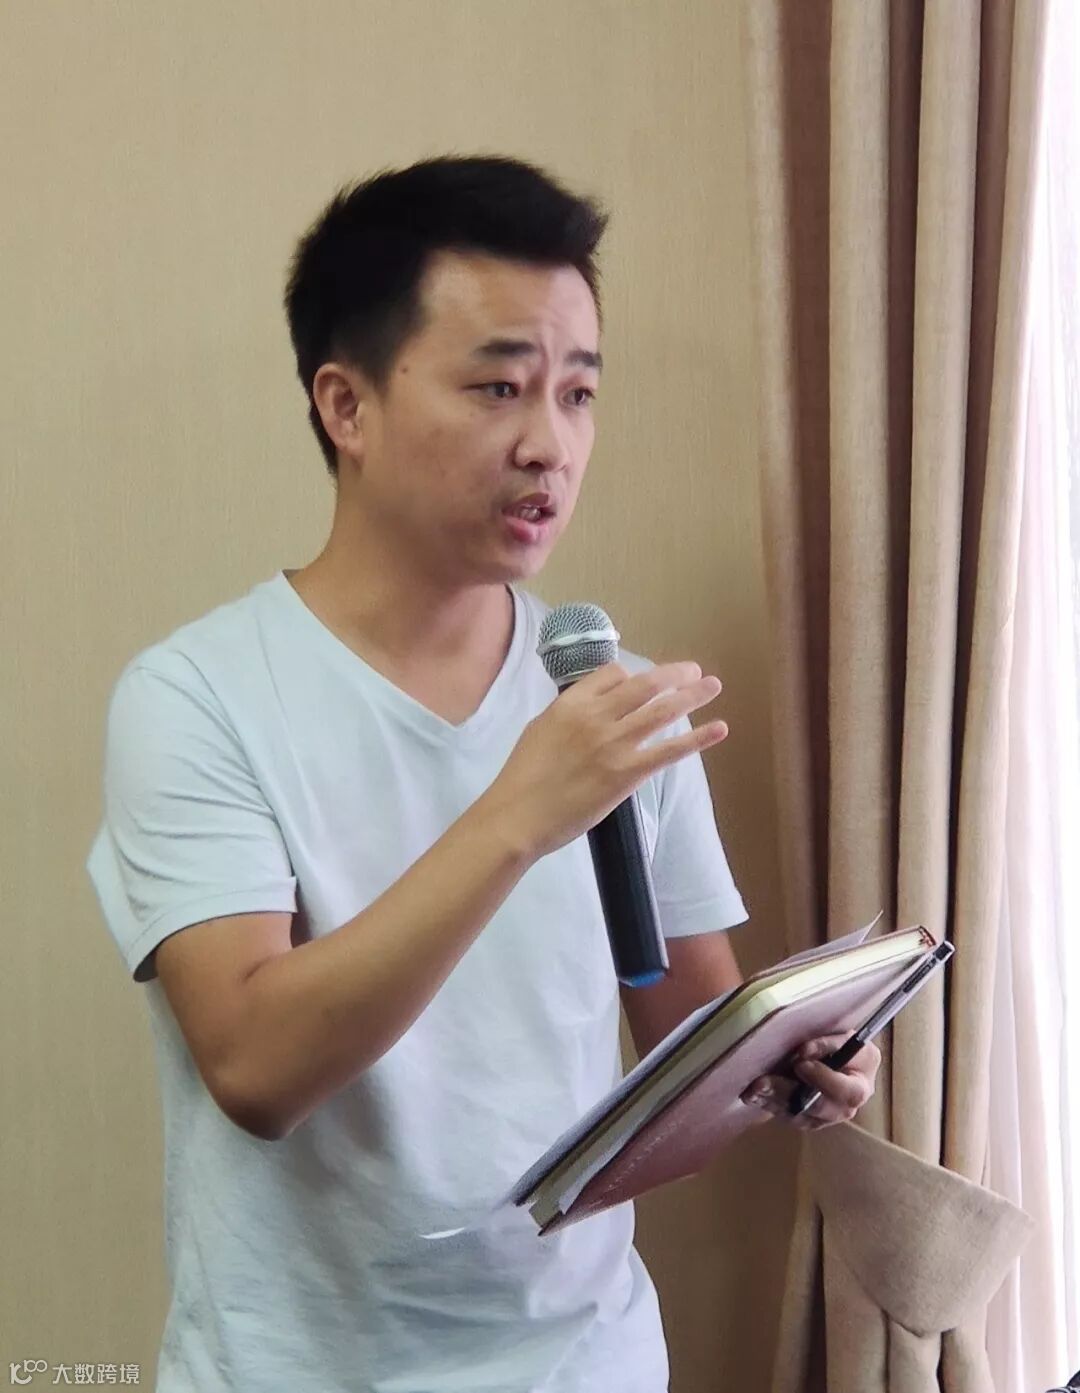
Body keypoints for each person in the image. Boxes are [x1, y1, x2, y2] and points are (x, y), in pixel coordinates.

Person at [85, 154, 879, 1393]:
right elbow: (254, 1068)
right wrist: (519, 811)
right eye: (500, 386)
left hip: (591, 1361)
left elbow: (686, 1034)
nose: (549, 444)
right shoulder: (194, 696)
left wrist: (791, 1066)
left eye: (578, 392)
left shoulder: (612, 698)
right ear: (346, 406)